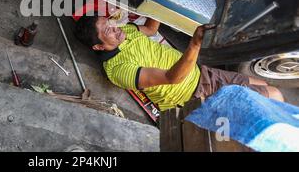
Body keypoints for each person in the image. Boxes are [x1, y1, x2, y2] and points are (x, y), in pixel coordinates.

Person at [74, 14, 284, 111]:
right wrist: (194, 44)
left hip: (203, 74)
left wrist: (155, 5)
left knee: (264, 85)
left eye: (110, 22)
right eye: (107, 30)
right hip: (195, 97)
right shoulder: (118, 70)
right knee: (275, 96)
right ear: (99, 47)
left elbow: (149, 30)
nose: (115, 27)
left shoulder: (125, 31)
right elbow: (171, 78)